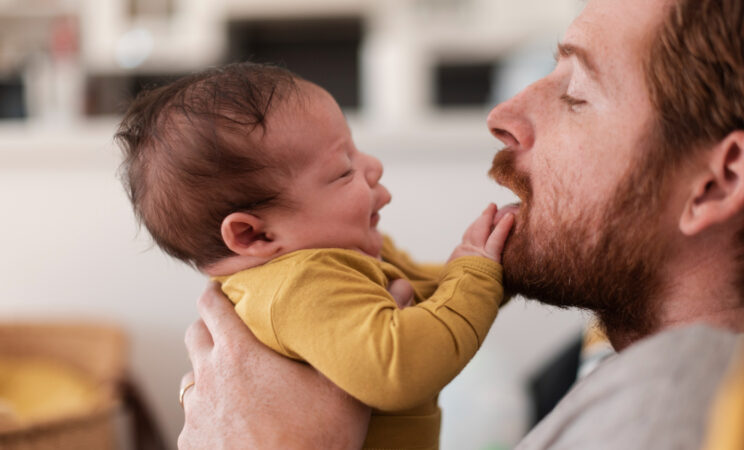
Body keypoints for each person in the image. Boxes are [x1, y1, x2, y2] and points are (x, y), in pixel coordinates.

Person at [178, 0, 744, 447]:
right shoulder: (608, 363)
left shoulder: (681, 393)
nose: (503, 116)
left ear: (714, 183)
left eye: (577, 94)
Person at [116, 64, 515, 450]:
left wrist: (496, 265)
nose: (373, 166)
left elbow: (429, 300)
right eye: (343, 170)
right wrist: (476, 273)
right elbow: (401, 366)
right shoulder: (300, 284)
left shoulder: (335, 258)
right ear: (253, 233)